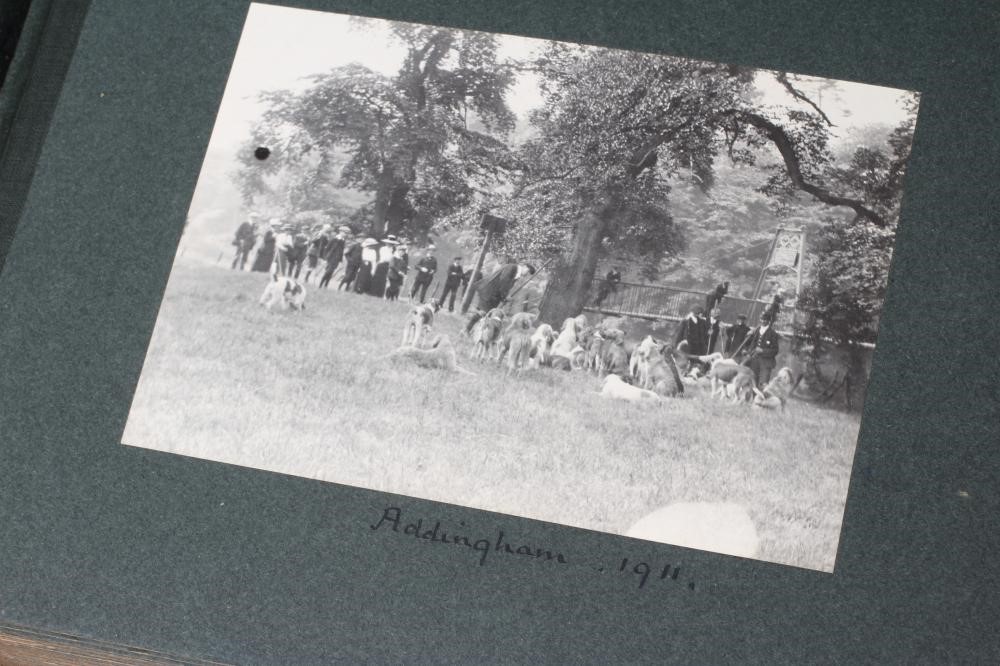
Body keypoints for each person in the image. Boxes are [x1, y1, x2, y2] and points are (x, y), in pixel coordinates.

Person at [739, 312, 781, 386]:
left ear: (769, 321)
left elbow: (775, 350)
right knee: (752, 381)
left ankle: (761, 396)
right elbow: (748, 343)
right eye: (762, 319)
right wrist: (746, 349)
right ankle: (752, 396)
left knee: (763, 383)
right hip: (754, 359)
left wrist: (763, 351)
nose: (763, 321)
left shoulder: (773, 334)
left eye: (765, 319)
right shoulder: (755, 331)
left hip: (766, 362)